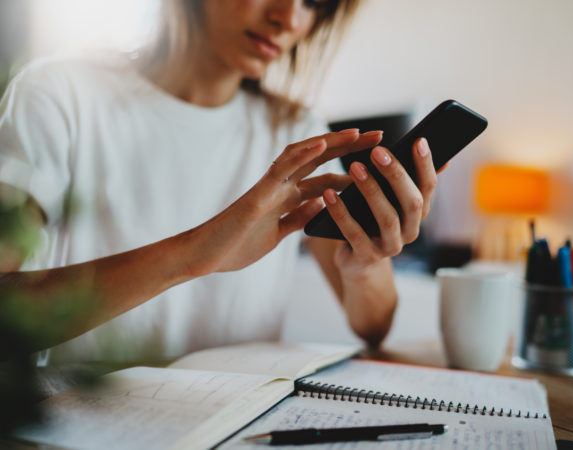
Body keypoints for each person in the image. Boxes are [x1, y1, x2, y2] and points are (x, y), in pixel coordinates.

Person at [0, 0, 438, 363]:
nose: (288, 18)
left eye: (314, 3)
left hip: (237, 424)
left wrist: (365, 265)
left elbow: (374, 325)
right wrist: (196, 252)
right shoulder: (59, 95)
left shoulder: (295, 131)